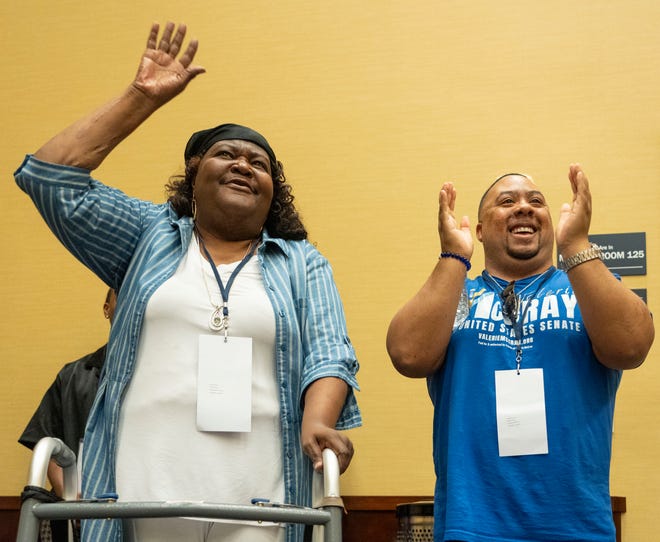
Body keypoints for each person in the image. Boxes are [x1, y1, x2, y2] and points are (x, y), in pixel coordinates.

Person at [15, 22, 361, 542]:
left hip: (262, 502)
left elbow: (329, 353)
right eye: (227, 155)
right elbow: (47, 176)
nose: (244, 164)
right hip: (139, 495)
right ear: (194, 176)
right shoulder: (147, 234)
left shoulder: (301, 261)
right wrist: (141, 98)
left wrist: (319, 420)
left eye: (259, 163)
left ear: (273, 191)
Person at [386, 167, 654, 541]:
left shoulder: (585, 288)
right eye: (507, 201)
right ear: (479, 230)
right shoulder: (455, 297)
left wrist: (575, 246)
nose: (524, 208)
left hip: (577, 526)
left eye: (536, 201)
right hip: (472, 527)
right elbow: (407, 356)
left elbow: (632, 346)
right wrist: (453, 257)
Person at [18, 287, 116, 542]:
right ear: (106, 308)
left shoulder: (162, 377)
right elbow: (45, 440)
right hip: (75, 513)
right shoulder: (73, 376)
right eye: (120, 293)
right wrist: (70, 497)